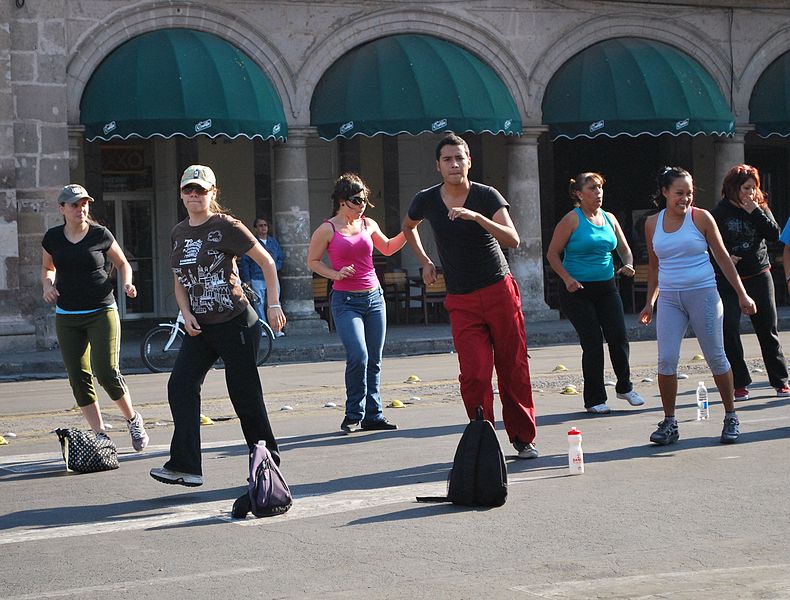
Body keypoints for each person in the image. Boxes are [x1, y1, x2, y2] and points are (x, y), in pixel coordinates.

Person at [402, 133, 538, 459]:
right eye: (447, 159)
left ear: (469, 161)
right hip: (461, 298)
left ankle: (523, 438)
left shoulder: (486, 195)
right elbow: (408, 226)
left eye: (459, 158)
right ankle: (483, 437)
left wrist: (477, 216)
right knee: (475, 373)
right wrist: (425, 262)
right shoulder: (426, 199)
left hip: (499, 290)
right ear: (437, 166)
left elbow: (513, 239)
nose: (454, 164)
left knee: (513, 367)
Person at [150, 165, 286, 487]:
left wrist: (273, 304)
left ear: (213, 193)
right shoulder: (179, 232)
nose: (193, 195)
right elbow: (180, 278)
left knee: (244, 395)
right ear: (181, 193)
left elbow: (267, 262)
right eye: (188, 189)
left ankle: (267, 465)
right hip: (201, 327)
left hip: (235, 322)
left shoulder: (226, 226)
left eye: (200, 190)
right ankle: (186, 466)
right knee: (180, 385)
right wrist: (185, 313)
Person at [639, 167, 757, 446]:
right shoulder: (652, 223)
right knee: (666, 360)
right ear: (665, 192)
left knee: (716, 357)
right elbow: (655, 266)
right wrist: (649, 303)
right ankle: (669, 422)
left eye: (690, 193)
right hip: (670, 298)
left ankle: (730, 416)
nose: (685, 198)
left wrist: (742, 294)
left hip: (703, 293)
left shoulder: (701, 218)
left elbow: (723, 258)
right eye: (679, 193)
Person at [41, 184, 149, 452]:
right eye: (74, 205)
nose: (81, 209)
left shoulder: (100, 234)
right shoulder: (53, 238)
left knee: (106, 372)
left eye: (84, 204)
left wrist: (127, 283)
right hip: (68, 315)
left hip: (101, 310)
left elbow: (122, 263)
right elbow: (47, 267)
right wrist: (47, 285)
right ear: (62, 208)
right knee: (78, 377)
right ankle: (100, 434)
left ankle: (133, 419)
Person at [307, 173, 406, 433]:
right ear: (342, 201)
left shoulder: (368, 224)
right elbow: (313, 261)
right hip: (346, 301)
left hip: (374, 298)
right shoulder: (327, 229)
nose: (362, 205)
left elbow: (387, 247)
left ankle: (374, 415)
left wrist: (409, 229)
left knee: (374, 359)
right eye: (356, 200)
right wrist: (335, 274)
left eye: (364, 200)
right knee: (358, 356)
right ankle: (353, 414)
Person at [546, 173, 645, 414]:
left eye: (600, 187)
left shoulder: (609, 218)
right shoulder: (572, 219)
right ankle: (594, 399)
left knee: (618, 336)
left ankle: (625, 387)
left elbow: (624, 249)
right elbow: (552, 254)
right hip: (577, 289)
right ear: (579, 194)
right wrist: (567, 278)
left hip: (607, 287)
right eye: (592, 188)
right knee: (592, 343)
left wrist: (628, 263)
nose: (598, 192)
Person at [711, 164, 789, 399]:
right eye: (746, 188)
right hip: (728, 279)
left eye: (754, 188)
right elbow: (710, 246)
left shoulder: (760, 207)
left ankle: (780, 380)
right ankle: (740, 382)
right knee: (729, 328)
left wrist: (755, 210)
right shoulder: (719, 213)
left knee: (767, 329)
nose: (751, 193)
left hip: (759, 275)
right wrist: (726, 258)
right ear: (733, 188)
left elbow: (775, 235)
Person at [241, 216, 285, 337]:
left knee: (275, 303)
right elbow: (245, 262)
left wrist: (275, 268)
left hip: (272, 278)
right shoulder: (252, 243)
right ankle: (264, 329)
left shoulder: (273, 242)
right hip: (257, 277)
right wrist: (247, 280)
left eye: (265, 225)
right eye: (260, 225)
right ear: (256, 228)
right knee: (259, 304)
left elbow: (280, 258)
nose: (263, 228)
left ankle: (277, 329)